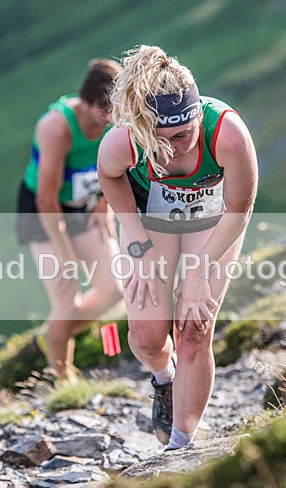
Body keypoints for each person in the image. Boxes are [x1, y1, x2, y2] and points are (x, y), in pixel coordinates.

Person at [97, 46, 258, 449]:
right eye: (160, 140)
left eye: (184, 134)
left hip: (216, 221)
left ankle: (180, 445)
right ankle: (164, 377)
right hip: (153, 220)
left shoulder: (228, 134)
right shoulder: (125, 140)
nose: (174, 148)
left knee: (194, 327)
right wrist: (137, 241)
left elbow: (239, 209)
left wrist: (199, 275)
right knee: (147, 338)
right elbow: (108, 174)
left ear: (197, 115)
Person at [17, 59, 124, 379]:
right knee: (67, 297)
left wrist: (105, 202)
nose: (112, 120)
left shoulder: (117, 117)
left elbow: (118, 164)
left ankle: (52, 336)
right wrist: (65, 255)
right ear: (88, 101)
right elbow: (46, 199)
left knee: (114, 288)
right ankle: (63, 379)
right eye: (105, 112)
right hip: (44, 212)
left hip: (85, 204)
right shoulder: (56, 127)